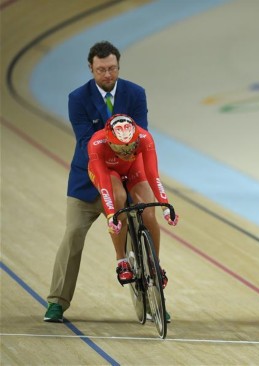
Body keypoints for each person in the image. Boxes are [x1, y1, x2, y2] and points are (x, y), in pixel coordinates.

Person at [44, 41, 149, 323]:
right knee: (73, 236)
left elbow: (142, 135)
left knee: (135, 235)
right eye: (101, 69)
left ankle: (151, 301)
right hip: (86, 182)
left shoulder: (135, 93)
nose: (108, 74)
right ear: (91, 68)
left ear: (118, 66)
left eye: (112, 68)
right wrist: (119, 145)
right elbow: (84, 142)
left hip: (121, 183)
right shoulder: (77, 98)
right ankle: (57, 302)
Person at [87, 114, 178, 286]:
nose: (127, 151)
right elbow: (105, 185)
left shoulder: (144, 137)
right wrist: (111, 215)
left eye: (131, 146)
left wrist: (166, 207)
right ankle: (121, 261)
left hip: (134, 168)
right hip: (108, 172)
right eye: (121, 148)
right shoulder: (96, 144)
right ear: (110, 142)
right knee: (118, 198)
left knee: (149, 213)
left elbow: (153, 175)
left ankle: (154, 264)